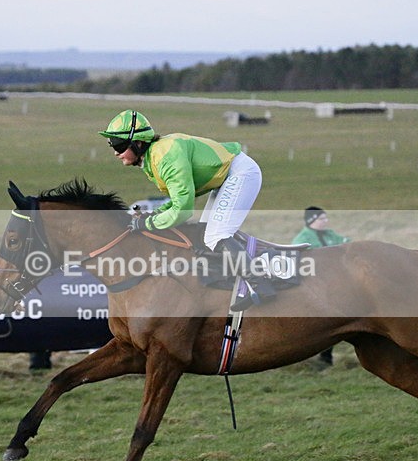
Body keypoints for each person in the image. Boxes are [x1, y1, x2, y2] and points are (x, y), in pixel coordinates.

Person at [99, 109, 274, 311]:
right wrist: (155, 215)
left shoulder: (165, 156)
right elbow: (177, 200)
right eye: (112, 145)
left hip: (239, 173)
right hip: (225, 178)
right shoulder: (153, 158)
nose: (115, 152)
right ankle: (229, 287)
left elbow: (183, 210)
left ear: (138, 143)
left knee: (216, 235)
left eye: (119, 145)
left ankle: (261, 286)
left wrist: (147, 223)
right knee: (205, 233)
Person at [292, 206, 350, 365]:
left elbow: (347, 245)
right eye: (322, 219)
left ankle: (326, 357)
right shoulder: (301, 239)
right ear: (312, 221)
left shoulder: (330, 234)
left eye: (326, 218)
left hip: (334, 283)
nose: (326, 221)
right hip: (315, 286)